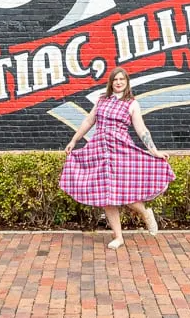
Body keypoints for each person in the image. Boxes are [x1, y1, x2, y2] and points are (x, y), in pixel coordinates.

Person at [60, 67, 175, 249]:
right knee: (107, 197)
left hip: (121, 152)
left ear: (127, 82)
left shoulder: (132, 104)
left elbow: (142, 130)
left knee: (125, 193)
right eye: (116, 79)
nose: (119, 82)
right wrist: (74, 140)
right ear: (111, 82)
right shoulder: (102, 100)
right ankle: (118, 237)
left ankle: (145, 213)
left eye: (122, 79)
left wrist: (155, 152)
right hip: (99, 151)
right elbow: (89, 121)